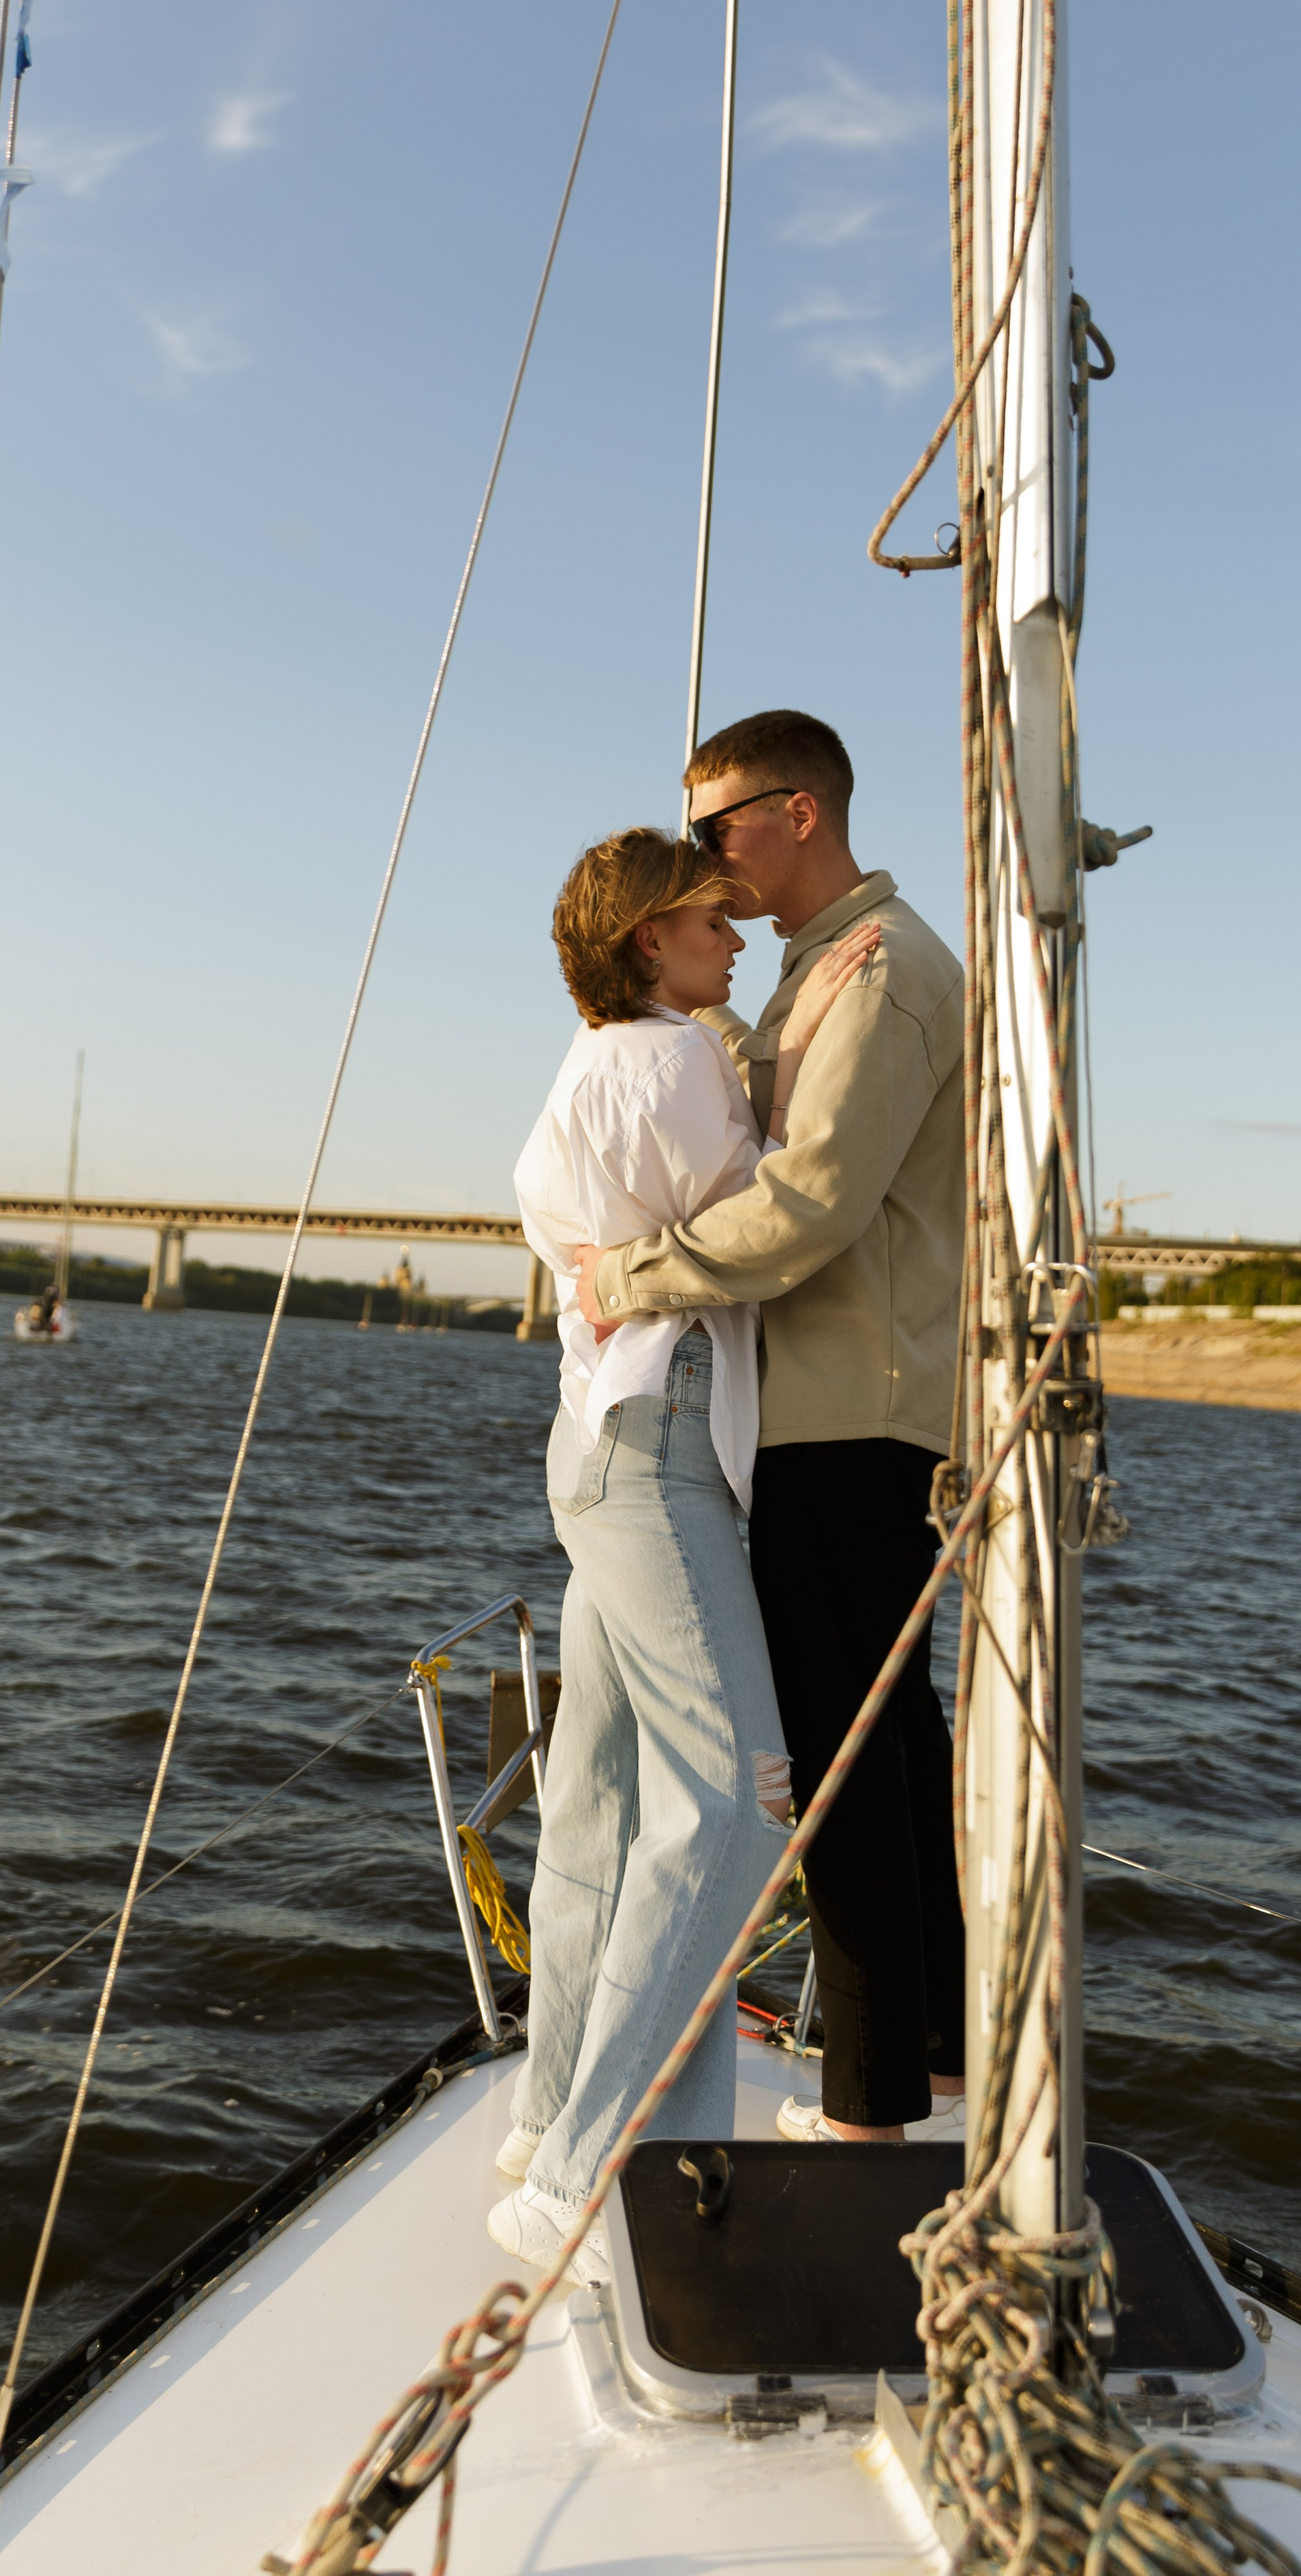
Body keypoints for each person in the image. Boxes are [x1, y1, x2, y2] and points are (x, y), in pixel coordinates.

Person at [574, 710, 966, 2147]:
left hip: (843, 1420)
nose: (702, 856)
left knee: (838, 1753)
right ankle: (934, 2058)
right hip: (846, 1410)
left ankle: (867, 2110)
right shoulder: (822, 972)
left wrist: (619, 1276)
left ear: (797, 813)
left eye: (716, 825)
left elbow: (807, 1204)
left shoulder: (883, 974)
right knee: (894, 1743)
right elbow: (782, 1125)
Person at [493, 825, 878, 2282]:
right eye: (706, 921)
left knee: (597, 1802)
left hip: (600, 1446)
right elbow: (771, 1216)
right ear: (645, 942)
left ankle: (545, 2128)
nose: (732, 938)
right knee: (734, 1802)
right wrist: (819, 1022)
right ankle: (588, 2178)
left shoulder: (603, 1065)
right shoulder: (663, 1061)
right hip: (657, 1459)